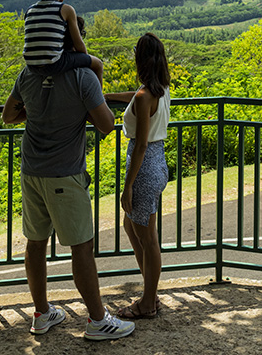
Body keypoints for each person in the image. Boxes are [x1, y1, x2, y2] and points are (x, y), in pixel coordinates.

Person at [2, 65, 136, 340]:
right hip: (64, 173)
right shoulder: (82, 76)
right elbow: (107, 124)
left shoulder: (28, 74)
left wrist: (41, 115)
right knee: (82, 247)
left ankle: (41, 313)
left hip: (31, 171)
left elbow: (8, 115)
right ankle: (98, 320)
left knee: (36, 242)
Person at [104, 33, 172, 320]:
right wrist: (106, 97)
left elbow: (141, 144)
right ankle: (150, 292)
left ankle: (147, 302)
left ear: (140, 60)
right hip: (158, 163)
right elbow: (137, 98)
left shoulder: (146, 96)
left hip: (144, 169)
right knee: (132, 226)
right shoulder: (161, 89)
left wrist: (127, 186)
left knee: (148, 237)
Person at [23, 0, 105, 85]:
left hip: (31, 66)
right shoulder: (65, 10)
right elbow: (78, 44)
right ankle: (99, 97)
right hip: (54, 64)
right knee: (98, 64)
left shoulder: (30, 10)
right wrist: (85, 60)